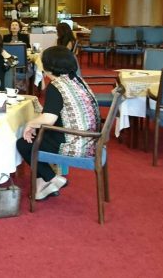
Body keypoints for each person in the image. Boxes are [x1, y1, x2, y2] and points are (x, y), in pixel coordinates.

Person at [15, 46, 100, 201]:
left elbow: (49, 119)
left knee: (24, 144)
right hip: (91, 138)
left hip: (76, 142)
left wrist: (31, 124)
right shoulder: (76, 79)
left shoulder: (56, 86)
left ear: (48, 66)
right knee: (36, 137)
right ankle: (41, 185)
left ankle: (52, 178)